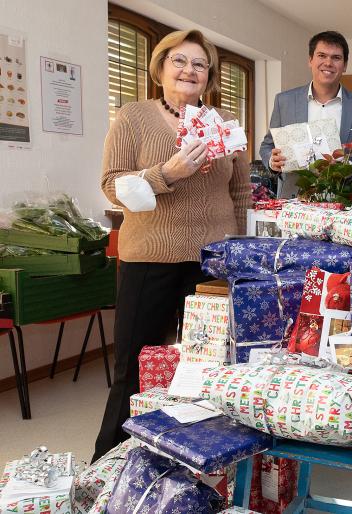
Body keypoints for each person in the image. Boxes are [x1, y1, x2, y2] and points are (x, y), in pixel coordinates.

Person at [94, 29, 250, 461]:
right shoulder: (133, 117)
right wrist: (168, 173)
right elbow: (112, 186)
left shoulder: (224, 126)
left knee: (209, 367)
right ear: (160, 68)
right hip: (151, 259)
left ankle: (198, 460)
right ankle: (109, 463)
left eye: (199, 64)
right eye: (179, 61)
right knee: (134, 366)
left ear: (209, 76)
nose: (189, 71)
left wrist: (235, 251)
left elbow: (240, 193)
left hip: (212, 265)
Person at [259, 30, 352, 198]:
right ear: (310, 60)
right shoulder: (284, 101)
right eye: (321, 55)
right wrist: (271, 161)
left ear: (345, 65)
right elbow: (267, 146)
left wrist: (348, 167)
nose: (328, 62)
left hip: (345, 202)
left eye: (336, 58)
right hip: (295, 200)